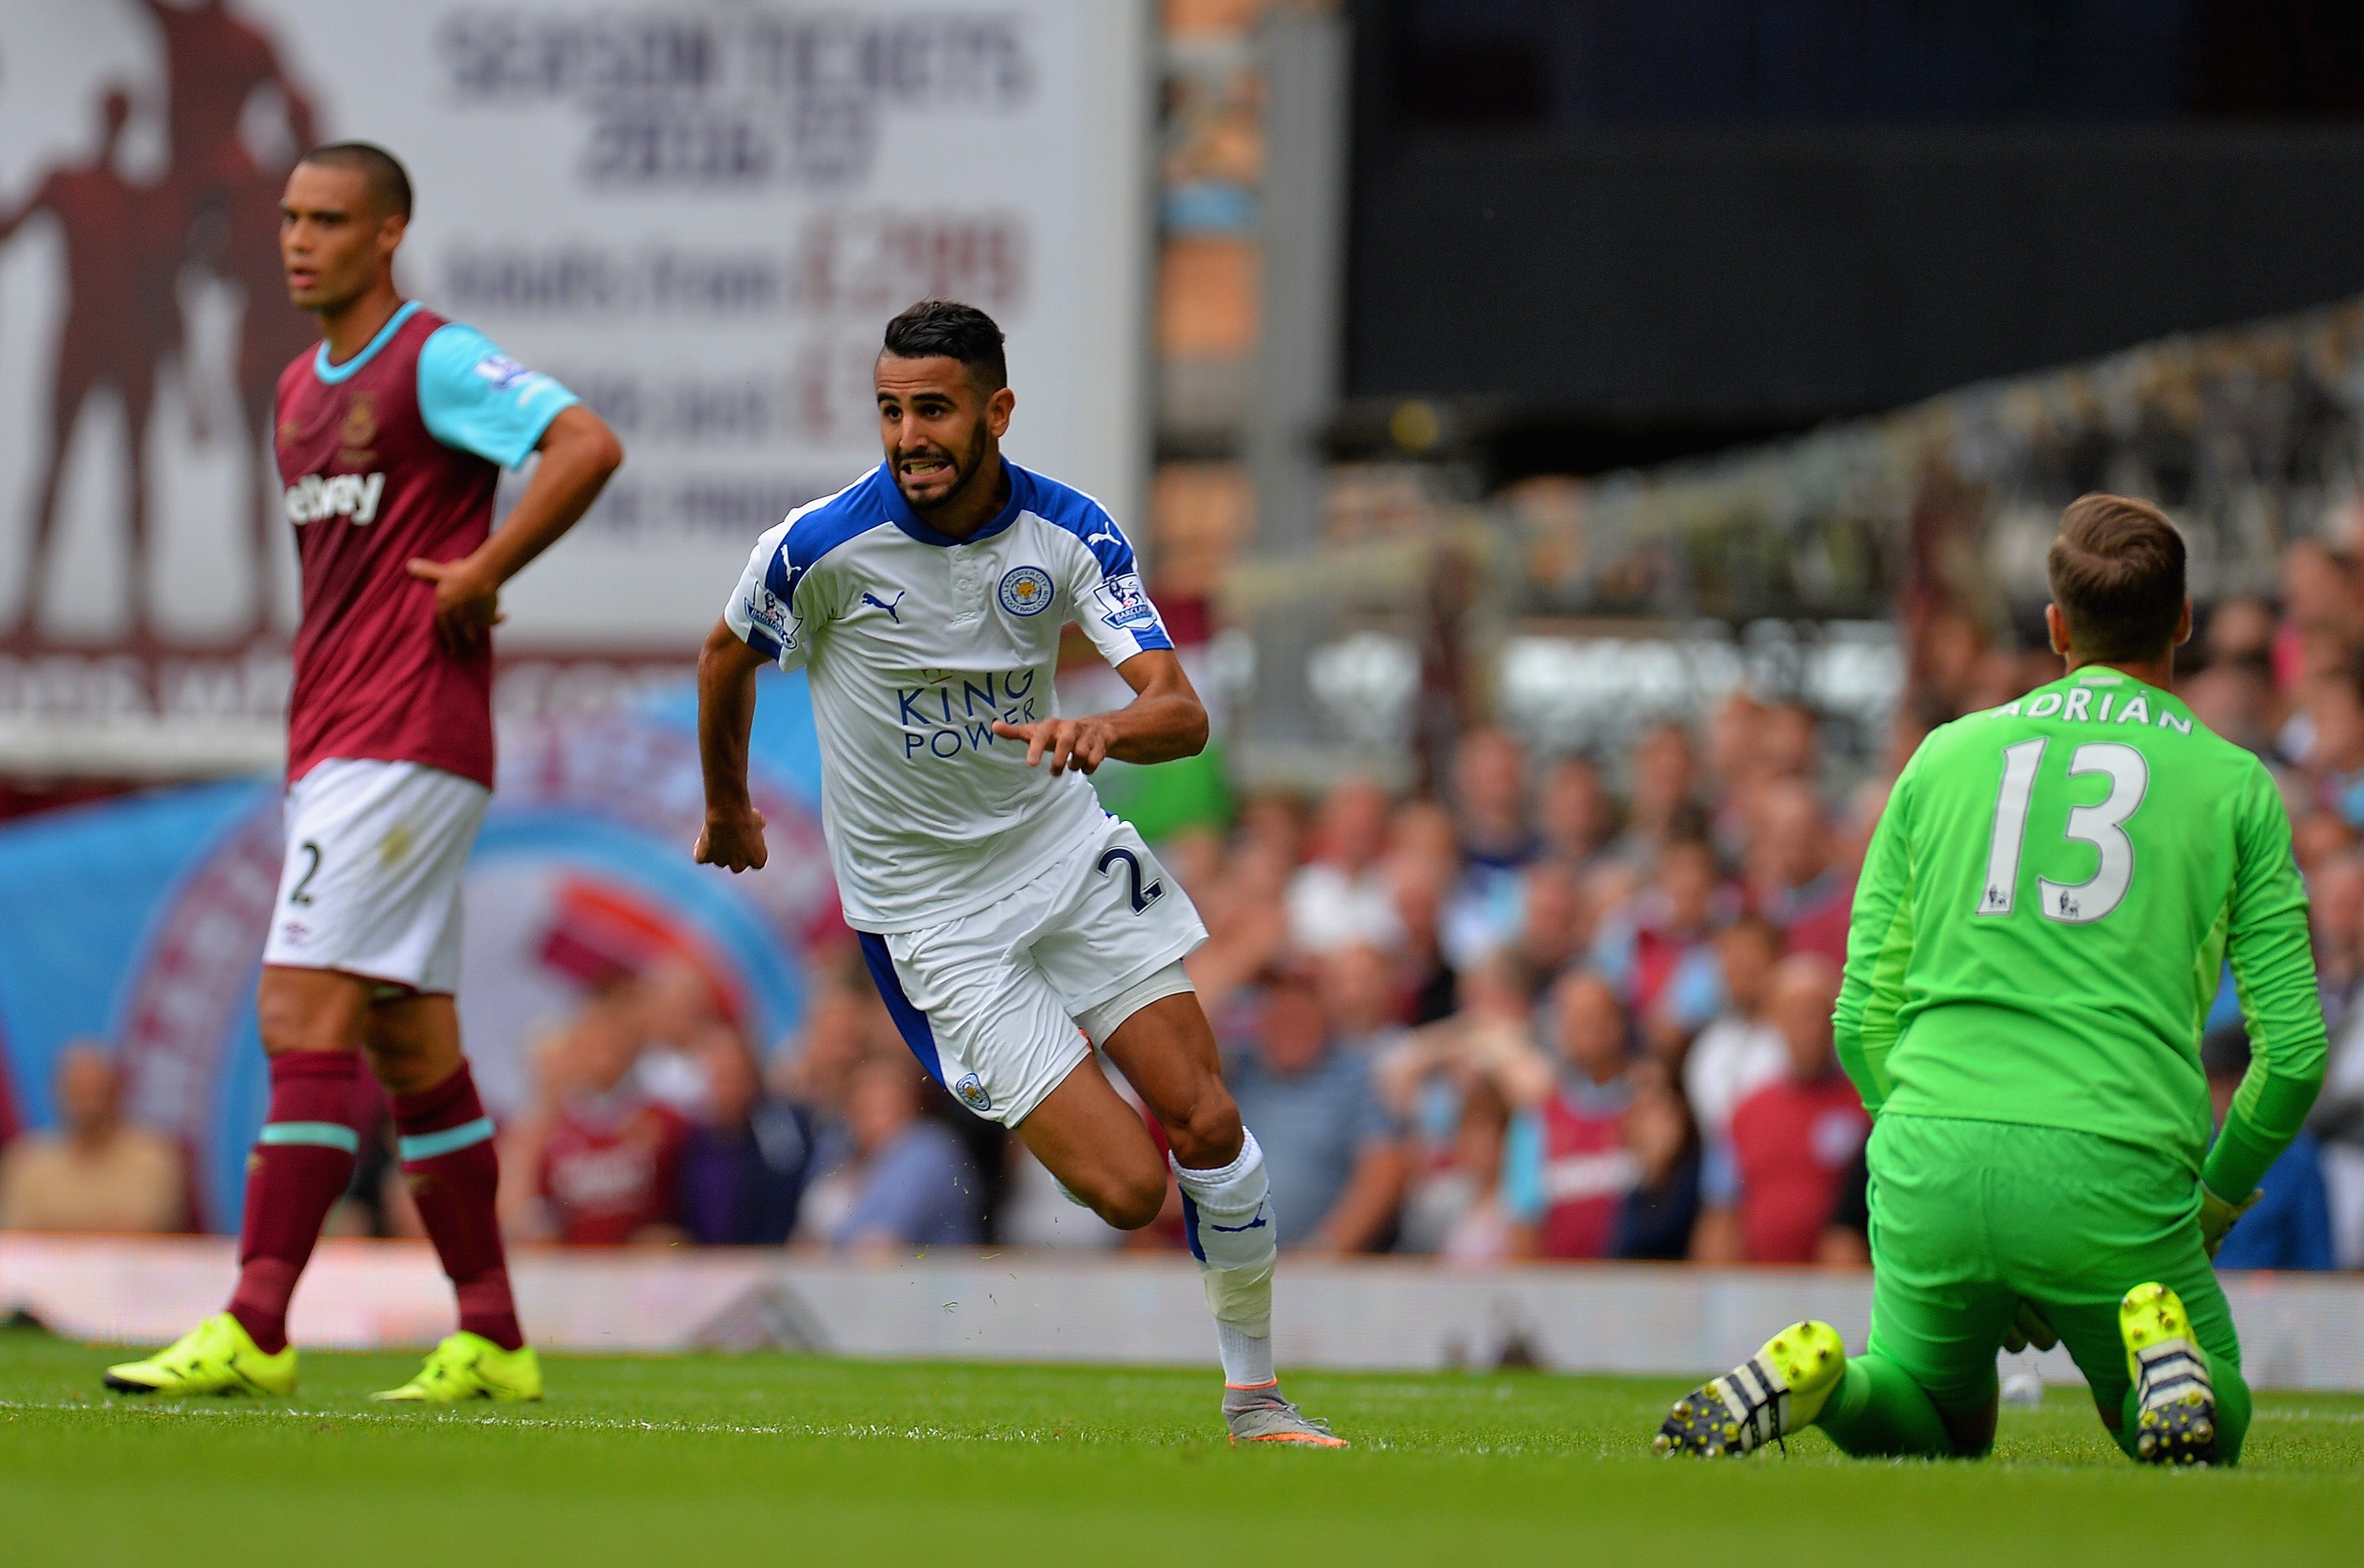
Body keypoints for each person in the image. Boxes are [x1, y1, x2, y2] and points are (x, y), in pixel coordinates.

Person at [693, 300, 1341, 1444]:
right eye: (891, 410)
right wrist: (729, 802)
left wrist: (1100, 727)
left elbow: (1179, 713)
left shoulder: (1068, 532)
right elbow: (723, 657)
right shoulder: (820, 546)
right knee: (1130, 1188)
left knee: (1206, 1115)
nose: (907, 436)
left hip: (1063, 852)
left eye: (932, 409)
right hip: (931, 916)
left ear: (996, 410)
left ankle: (1257, 1395)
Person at [104, 143, 623, 1403]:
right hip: (340, 738)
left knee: (298, 1018)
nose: (299, 240)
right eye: (288, 218)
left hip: (404, 738)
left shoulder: (433, 360)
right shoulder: (294, 387)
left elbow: (586, 444)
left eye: (329, 220)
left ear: (387, 232)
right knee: (409, 1042)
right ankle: (493, 1333)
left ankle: (257, 1320)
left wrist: (490, 567)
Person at [1660, 494, 2327, 1468]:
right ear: (2183, 617)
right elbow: (2297, 1053)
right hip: (2115, 1160)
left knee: (1934, 1419)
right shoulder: (2237, 785)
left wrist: (1929, 1142)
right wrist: (2213, 1205)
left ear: (2057, 627)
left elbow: (1857, 1019)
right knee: (2198, 1427)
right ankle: (2168, 1360)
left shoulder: (1942, 756)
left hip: (1932, 1144)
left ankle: (1827, 1382)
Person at [1690, 955, 1866, 1264]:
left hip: (1841, 1292)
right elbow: (1721, 1209)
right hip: (1763, 1288)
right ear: (1774, 1020)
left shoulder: (1863, 1104)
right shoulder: (1747, 1111)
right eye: (1796, 1014)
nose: (1809, 1027)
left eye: (1817, 1013)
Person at [1222, 969, 1407, 1254]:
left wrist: (1325, 1251)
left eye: (1301, 1020)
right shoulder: (1237, 1071)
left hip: (1318, 1268)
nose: (1290, 1030)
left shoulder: (1354, 1076)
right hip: (1227, 1259)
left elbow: (1383, 1169)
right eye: (1280, 1019)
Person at [534, 989, 691, 1247]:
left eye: (613, 1038)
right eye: (592, 1038)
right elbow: (541, 1220)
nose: (603, 1050)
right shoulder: (551, 1130)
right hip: (580, 1275)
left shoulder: (667, 1121)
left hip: (648, 1275)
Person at [797, 1055, 982, 1254]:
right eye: (866, 1104)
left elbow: (880, 1243)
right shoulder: (837, 1151)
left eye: (886, 1104)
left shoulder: (928, 1150)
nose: (875, 1117)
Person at [0, 1045, 188, 1234]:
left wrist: (60, 1231)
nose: (89, 1104)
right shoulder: (28, 1163)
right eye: (79, 1091)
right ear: (58, 1094)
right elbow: (18, 1243)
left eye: (97, 1090)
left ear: (116, 1092)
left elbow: (150, 1232)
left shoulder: (154, 1160)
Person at [2202, 1025, 2333, 1270]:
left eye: (2227, 1085)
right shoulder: (2194, 1153)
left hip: (2276, 1304)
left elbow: (2317, 1262)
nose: (2219, 1100)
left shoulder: (2299, 1162)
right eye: (2212, 1088)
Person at [677, 1024, 814, 1247]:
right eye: (720, 1079)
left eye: (736, 1078)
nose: (728, 1091)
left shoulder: (781, 1136)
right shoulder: (690, 1140)